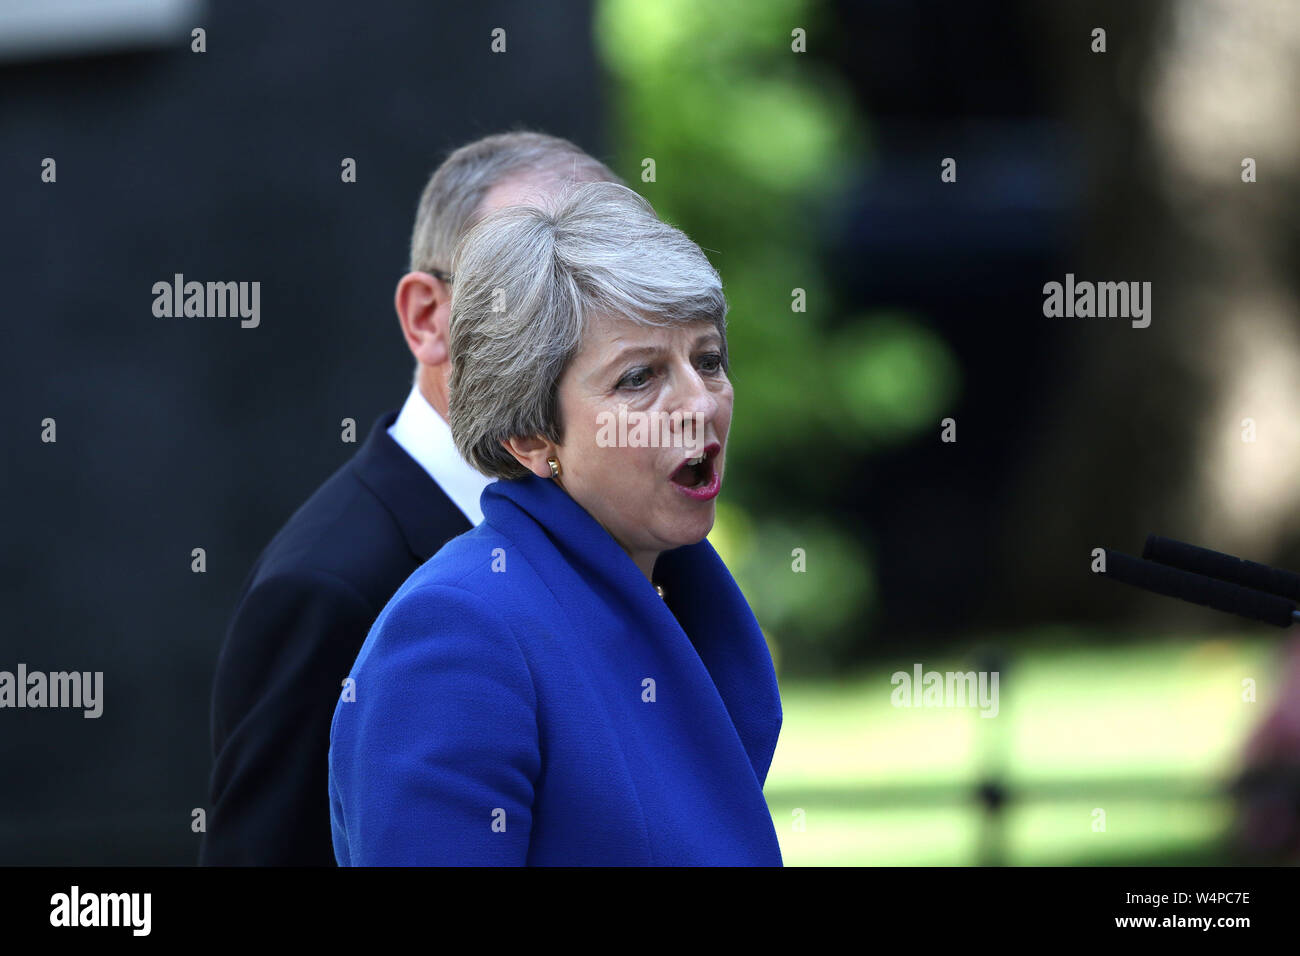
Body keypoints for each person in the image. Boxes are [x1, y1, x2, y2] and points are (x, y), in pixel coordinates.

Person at [328, 181, 784, 866]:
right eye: (640, 378)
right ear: (532, 437)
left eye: (709, 360)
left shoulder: (673, 596)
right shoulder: (459, 632)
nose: (700, 403)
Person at [201, 132, 621, 865]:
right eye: (536, 291)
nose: (586, 334)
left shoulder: (622, 533)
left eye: (607, 290)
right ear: (428, 317)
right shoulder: (328, 589)